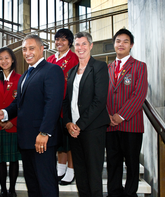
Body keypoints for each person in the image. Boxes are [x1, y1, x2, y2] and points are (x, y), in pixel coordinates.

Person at [0, 34, 65, 197]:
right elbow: (18, 102)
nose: (27, 53)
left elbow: (53, 104)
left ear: (42, 49)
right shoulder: (25, 75)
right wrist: (4, 113)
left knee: (46, 184)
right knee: (32, 185)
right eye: (24, 49)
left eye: (31, 48)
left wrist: (44, 132)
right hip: (26, 140)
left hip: (42, 140)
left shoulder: (52, 70)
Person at [62, 32, 110, 197]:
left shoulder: (99, 67)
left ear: (90, 46)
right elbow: (67, 100)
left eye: (84, 44)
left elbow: (99, 101)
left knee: (93, 174)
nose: (80, 47)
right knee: (80, 174)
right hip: (74, 131)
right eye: (77, 44)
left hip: (92, 129)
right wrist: (68, 123)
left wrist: (79, 125)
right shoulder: (72, 71)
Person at [106, 28, 148, 197]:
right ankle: (114, 193)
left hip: (131, 124)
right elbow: (102, 95)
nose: (121, 44)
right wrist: (107, 116)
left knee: (132, 163)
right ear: (114, 44)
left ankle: (130, 193)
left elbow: (139, 94)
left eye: (125, 41)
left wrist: (121, 116)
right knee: (113, 163)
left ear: (131, 45)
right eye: (118, 41)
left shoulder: (139, 66)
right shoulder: (107, 67)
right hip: (109, 125)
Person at [0, 47, 21, 197]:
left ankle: (12, 190)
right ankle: (3, 189)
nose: (4, 61)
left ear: (12, 60)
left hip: (14, 125)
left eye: (7, 58)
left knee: (14, 160)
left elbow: (24, 104)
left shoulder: (21, 78)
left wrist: (13, 122)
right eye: (1, 58)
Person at [46, 28, 78, 185]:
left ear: (70, 42)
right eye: (57, 39)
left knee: (69, 139)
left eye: (63, 39)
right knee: (58, 139)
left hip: (69, 105)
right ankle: (60, 166)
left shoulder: (75, 58)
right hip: (52, 105)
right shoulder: (50, 59)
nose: (59, 42)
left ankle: (71, 170)